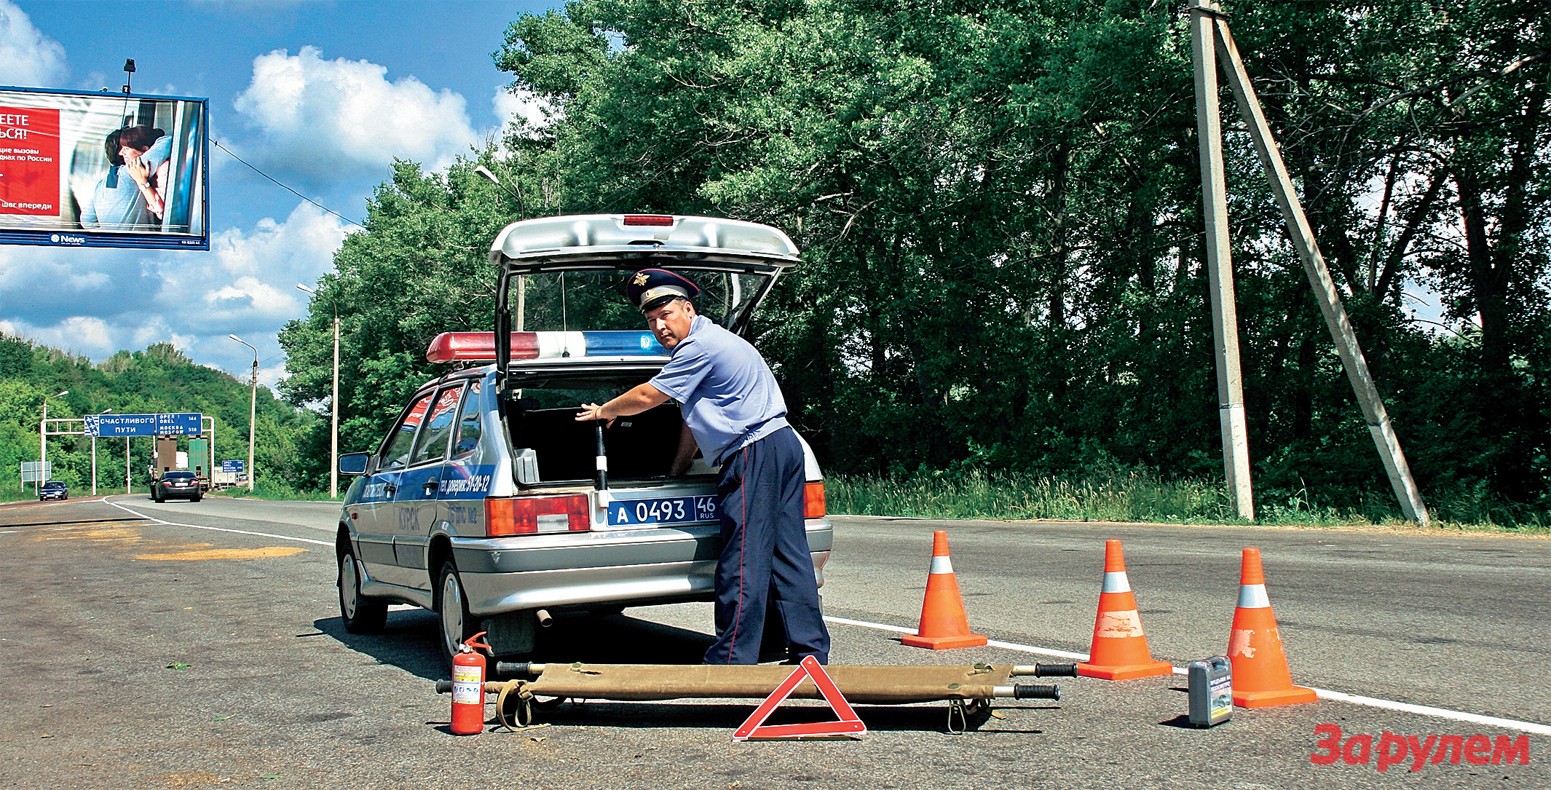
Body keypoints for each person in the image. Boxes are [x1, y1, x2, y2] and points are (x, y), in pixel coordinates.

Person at [575, 267, 831, 665]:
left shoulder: (699, 347)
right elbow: (693, 425)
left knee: (742, 557)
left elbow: (647, 395)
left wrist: (603, 411)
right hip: (780, 445)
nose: (660, 326)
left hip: (752, 452)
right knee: (788, 554)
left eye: (666, 316)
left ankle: (731, 657)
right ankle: (809, 651)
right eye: (651, 320)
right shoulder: (718, 340)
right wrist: (675, 473)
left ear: (688, 310)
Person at [79, 125, 172, 231]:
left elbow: (87, 221)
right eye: (124, 147)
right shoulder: (133, 169)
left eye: (126, 148)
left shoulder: (101, 184)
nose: (122, 152)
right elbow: (168, 142)